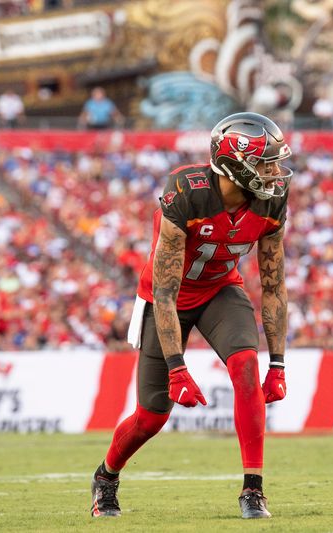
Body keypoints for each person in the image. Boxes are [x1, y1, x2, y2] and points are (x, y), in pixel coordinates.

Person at [89, 112, 291, 519]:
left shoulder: (272, 201)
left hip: (219, 290)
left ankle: (253, 489)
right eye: (266, 162)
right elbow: (165, 289)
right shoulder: (187, 192)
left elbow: (273, 285)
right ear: (236, 165)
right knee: (151, 417)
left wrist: (279, 363)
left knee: (246, 366)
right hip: (167, 299)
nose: (275, 172)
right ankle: (107, 476)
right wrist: (177, 368)